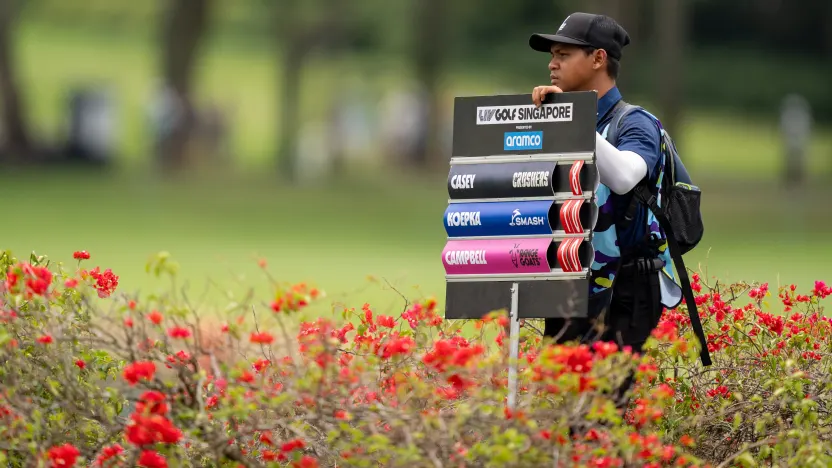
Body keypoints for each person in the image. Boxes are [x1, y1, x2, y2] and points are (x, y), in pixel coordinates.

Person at [527, 13, 684, 367]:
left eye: (564, 54)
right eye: (552, 55)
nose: (552, 64)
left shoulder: (636, 122)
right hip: (569, 283)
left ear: (599, 58)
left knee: (604, 407)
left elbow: (626, 176)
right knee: (569, 404)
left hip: (628, 289)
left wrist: (572, 116)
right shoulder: (562, 118)